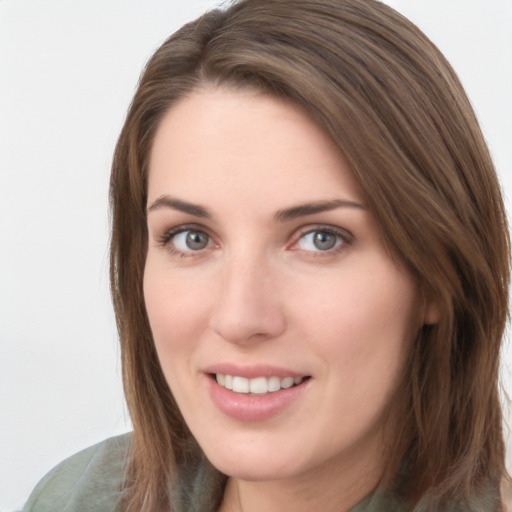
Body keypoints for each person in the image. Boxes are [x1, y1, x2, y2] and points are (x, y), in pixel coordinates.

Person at [23, 0, 510, 511]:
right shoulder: (76, 496)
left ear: (439, 274)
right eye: (191, 237)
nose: (239, 317)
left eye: (321, 238)